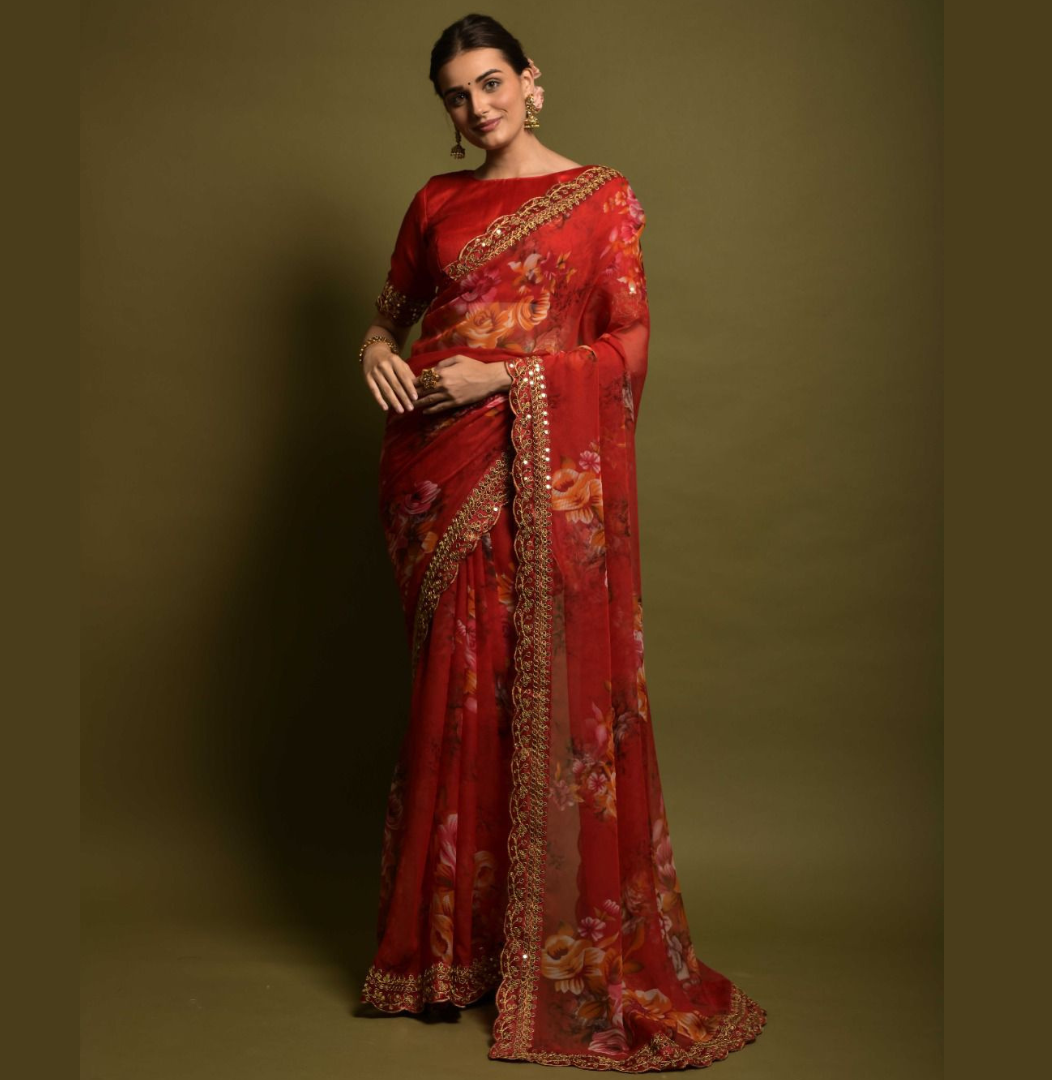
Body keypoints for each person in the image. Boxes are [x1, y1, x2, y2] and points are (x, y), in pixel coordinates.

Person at [356, 14, 767, 1071]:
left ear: (531, 81)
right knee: (455, 693)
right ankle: (447, 955)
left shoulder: (600, 196)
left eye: (492, 82)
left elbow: (627, 346)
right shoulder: (434, 202)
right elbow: (390, 314)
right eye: (457, 94)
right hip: (435, 474)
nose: (477, 106)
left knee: (531, 685)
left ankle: (540, 955)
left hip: (534, 463)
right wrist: (374, 351)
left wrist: (503, 377)